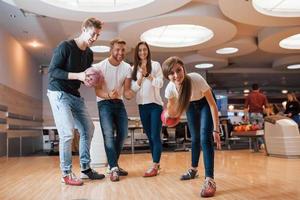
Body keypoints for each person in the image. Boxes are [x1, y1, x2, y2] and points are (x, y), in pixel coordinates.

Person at [47, 17, 105, 186]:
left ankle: (86, 169)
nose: (94, 38)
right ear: (84, 29)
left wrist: (88, 80)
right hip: (58, 92)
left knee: (88, 128)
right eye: (93, 34)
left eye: (97, 35)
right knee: (67, 133)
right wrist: (79, 76)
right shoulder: (66, 47)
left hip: (74, 94)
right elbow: (53, 71)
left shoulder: (89, 54)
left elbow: (83, 77)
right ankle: (66, 174)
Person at [162, 56, 221, 198]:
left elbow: (213, 105)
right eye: (172, 73)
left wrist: (216, 129)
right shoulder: (170, 89)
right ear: (167, 76)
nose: (176, 75)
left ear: (183, 69)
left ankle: (209, 180)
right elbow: (173, 109)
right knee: (194, 139)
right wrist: (168, 116)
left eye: (178, 70)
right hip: (190, 105)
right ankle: (193, 170)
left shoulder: (196, 79)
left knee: (204, 138)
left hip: (205, 103)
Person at [93, 38, 133, 182]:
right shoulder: (99, 67)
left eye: (123, 50)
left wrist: (133, 90)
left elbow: (127, 91)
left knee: (123, 133)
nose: (120, 52)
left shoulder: (128, 68)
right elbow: (97, 91)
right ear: (111, 50)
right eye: (117, 49)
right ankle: (114, 168)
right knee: (108, 135)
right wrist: (109, 95)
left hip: (119, 102)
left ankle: (112, 165)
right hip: (104, 103)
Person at [131, 41, 163, 177]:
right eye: (140, 50)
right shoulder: (133, 68)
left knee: (155, 135)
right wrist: (140, 79)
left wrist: (148, 75)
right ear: (137, 53)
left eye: (144, 50)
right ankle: (156, 162)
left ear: (148, 51)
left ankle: (155, 165)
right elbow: (133, 89)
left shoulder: (155, 65)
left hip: (155, 105)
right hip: (142, 106)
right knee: (150, 136)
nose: (142, 52)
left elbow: (160, 83)